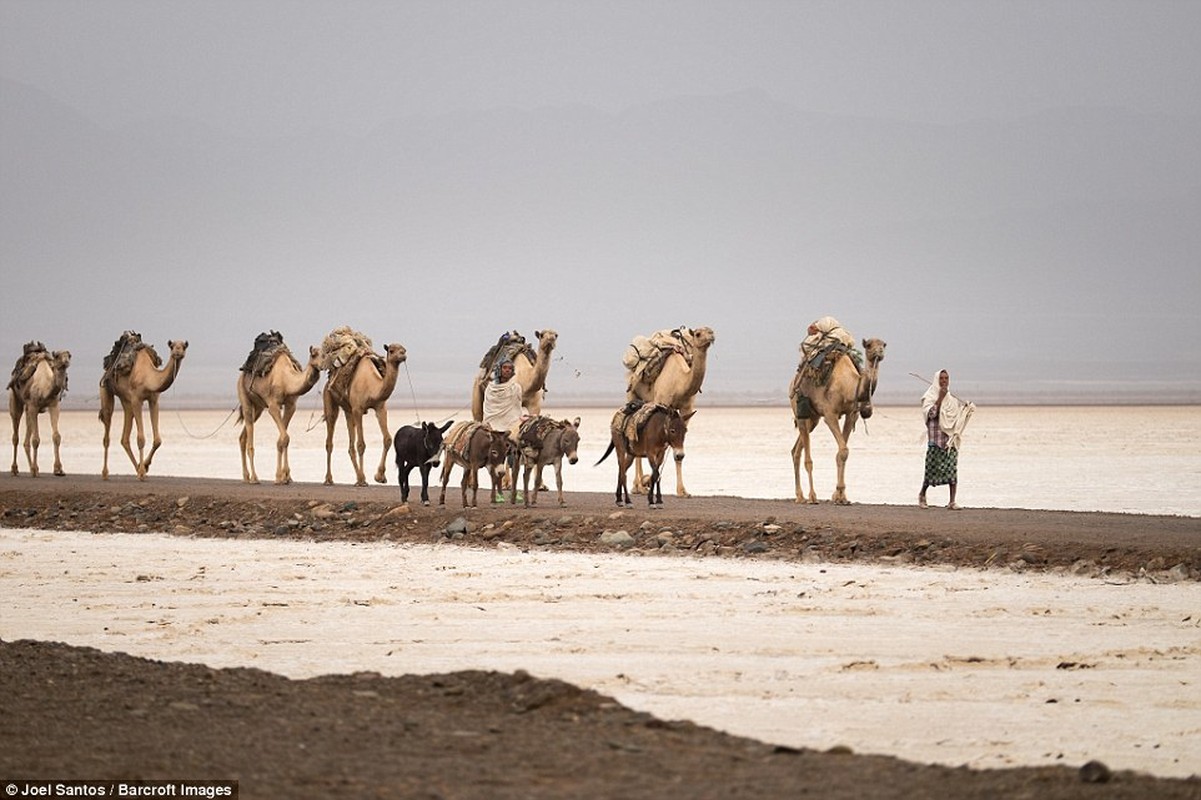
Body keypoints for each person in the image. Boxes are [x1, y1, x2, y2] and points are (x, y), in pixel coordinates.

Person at [919, 368, 970, 510]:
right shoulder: (929, 397)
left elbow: (955, 418)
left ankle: (952, 501)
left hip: (949, 441)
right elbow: (931, 414)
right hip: (935, 440)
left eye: (946, 378)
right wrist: (940, 399)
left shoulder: (952, 399)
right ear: (936, 380)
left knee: (952, 470)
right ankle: (922, 494)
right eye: (941, 379)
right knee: (931, 470)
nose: (944, 381)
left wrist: (965, 410)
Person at [482, 357, 527, 502]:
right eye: (504, 368)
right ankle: (498, 492)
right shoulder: (490, 388)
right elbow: (489, 408)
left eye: (509, 368)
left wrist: (518, 421)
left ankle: (514, 490)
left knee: (514, 459)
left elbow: (516, 407)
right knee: (496, 462)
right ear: (499, 370)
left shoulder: (516, 387)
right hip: (495, 430)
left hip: (510, 429)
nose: (507, 370)